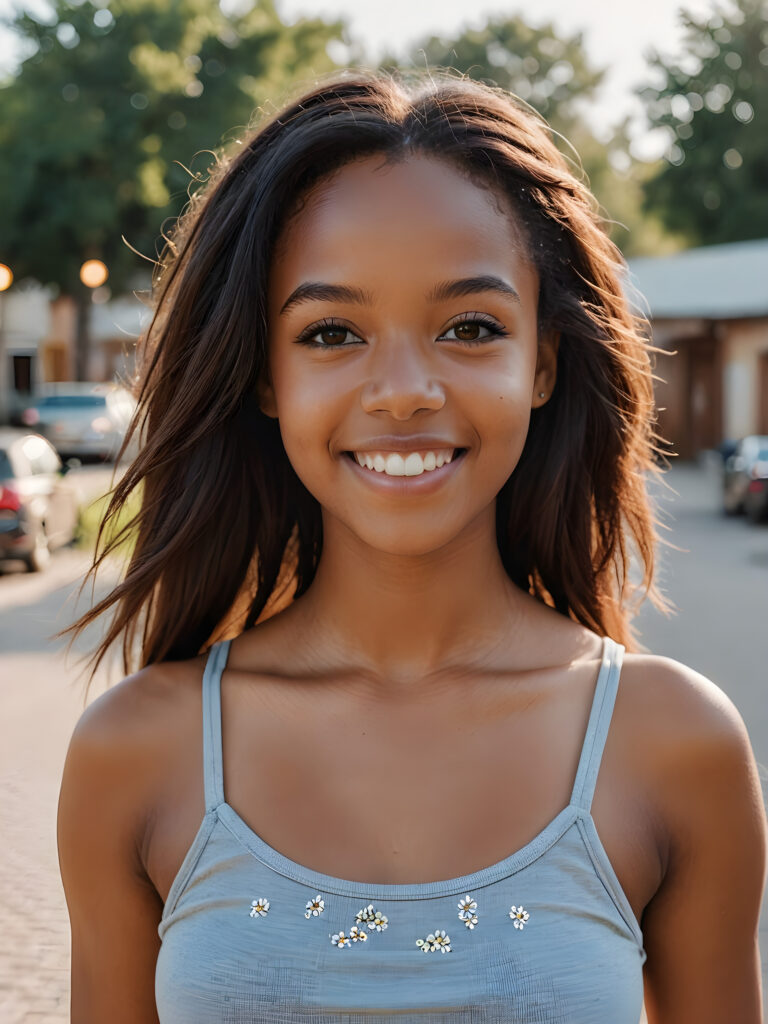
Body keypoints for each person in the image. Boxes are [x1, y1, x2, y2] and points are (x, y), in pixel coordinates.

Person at [57, 70, 766, 1023]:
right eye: (332, 331)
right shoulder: (134, 756)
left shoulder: (676, 744)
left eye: (470, 327)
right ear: (264, 376)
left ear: (543, 364)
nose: (402, 390)